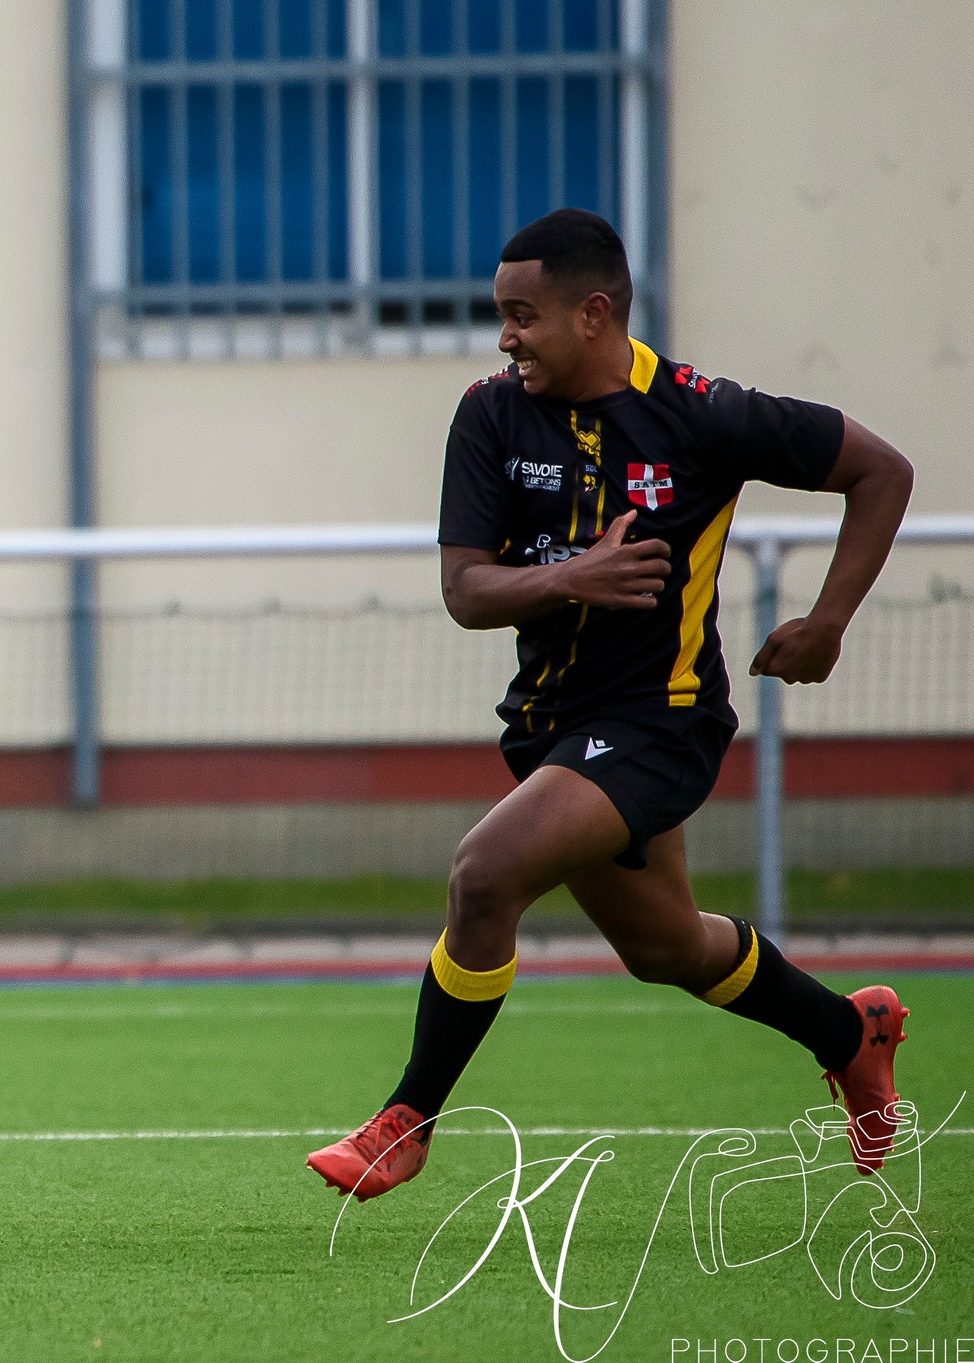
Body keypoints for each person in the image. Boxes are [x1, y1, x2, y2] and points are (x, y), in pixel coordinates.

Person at [306, 208, 915, 1202]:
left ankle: (403, 1121)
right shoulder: (489, 414)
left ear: (592, 313)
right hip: (548, 727)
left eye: (521, 316)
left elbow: (879, 471)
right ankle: (851, 1033)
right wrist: (569, 579)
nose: (504, 337)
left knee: (483, 874)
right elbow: (464, 590)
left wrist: (826, 620)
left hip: (660, 720)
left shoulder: (698, 413)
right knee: (665, 946)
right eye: (499, 316)